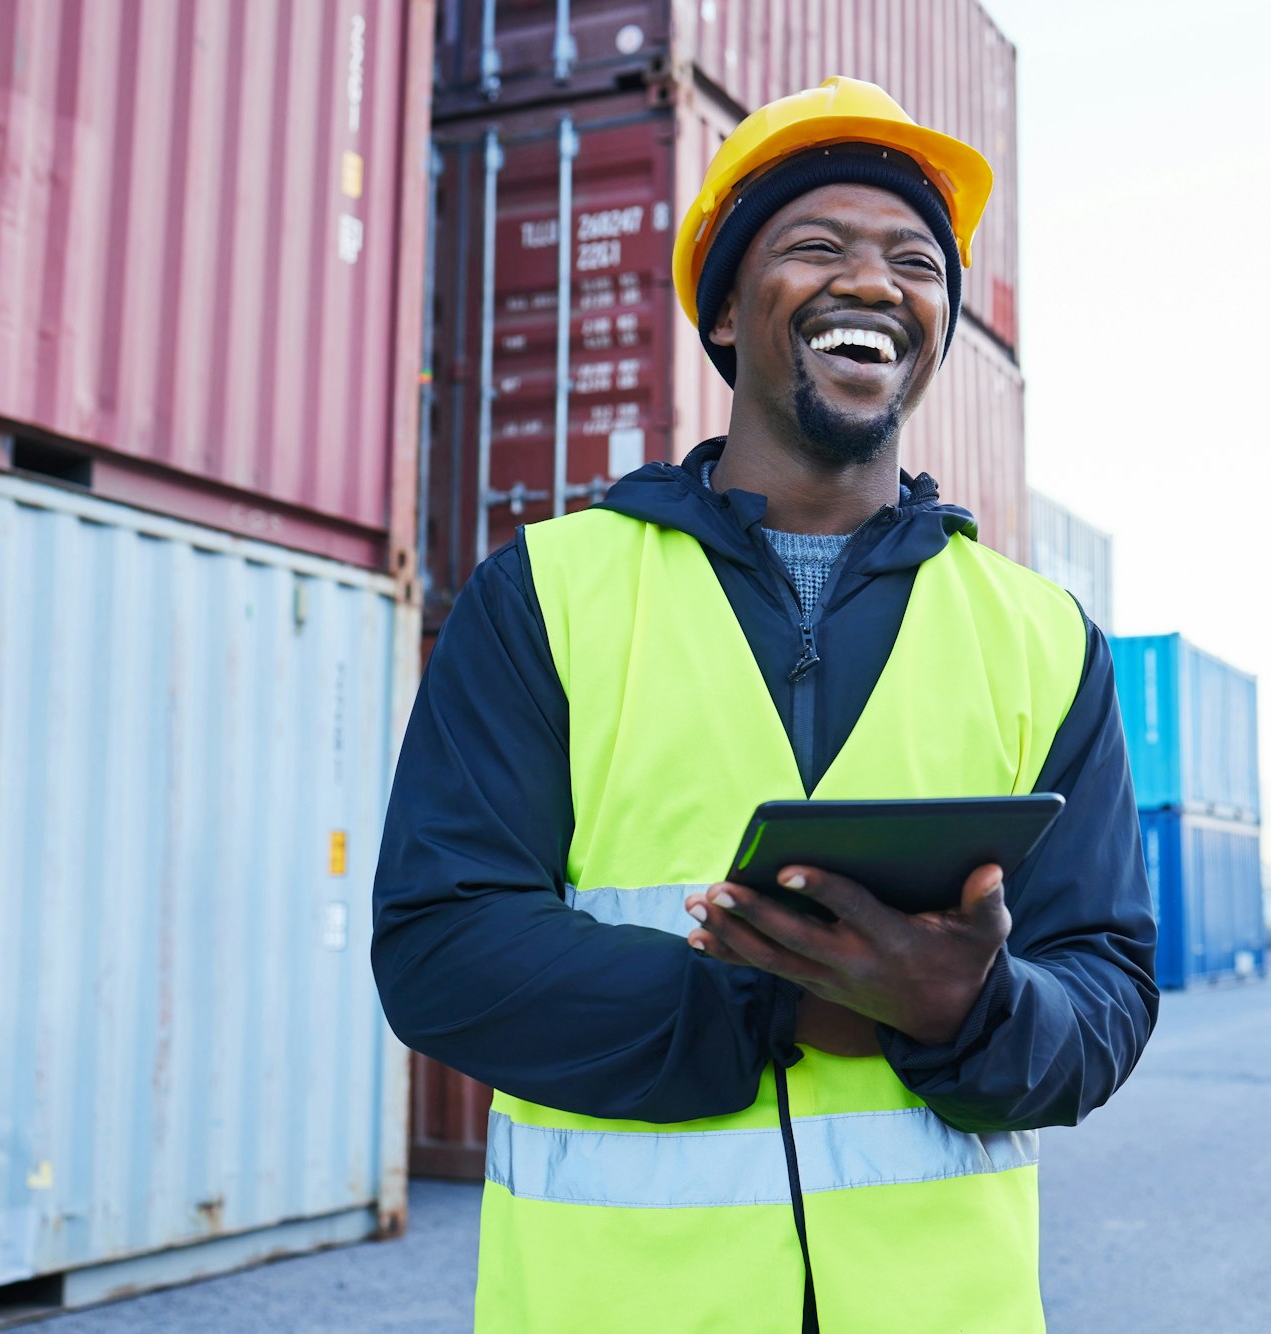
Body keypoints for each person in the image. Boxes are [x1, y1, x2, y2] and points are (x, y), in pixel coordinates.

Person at [372, 75, 1157, 1333]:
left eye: (915, 258)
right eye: (816, 245)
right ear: (727, 309)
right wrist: (780, 1001)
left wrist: (971, 1007)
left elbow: (1105, 985)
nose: (873, 280)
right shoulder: (548, 595)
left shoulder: (1043, 638)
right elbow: (441, 950)